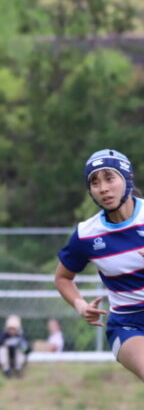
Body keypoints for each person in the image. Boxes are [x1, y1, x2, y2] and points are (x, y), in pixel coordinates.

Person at [55, 149, 144, 390]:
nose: (103, 188)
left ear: (128, 178)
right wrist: (80, 306)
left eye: (109, 178)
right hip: (129, 325)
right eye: (95, 182)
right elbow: (63, 278)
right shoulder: (87, 233)